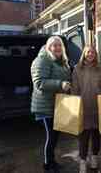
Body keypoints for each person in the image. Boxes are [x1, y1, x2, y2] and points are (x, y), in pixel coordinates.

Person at [31, 36, 72, 173]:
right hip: (45, 106)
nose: (57, 48)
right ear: (48, 47)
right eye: (54, 45)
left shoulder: (63, 62)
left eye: (59, 45)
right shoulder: (42, 60)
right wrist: (60, 84)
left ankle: (52, 161)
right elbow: (39, 83)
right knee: (51, 136)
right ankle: (48, 165)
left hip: (58, 105)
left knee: (55, 136)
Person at [72, 45, 101, 173]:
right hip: (83, 107)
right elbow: (74, 90)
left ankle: (94, 158)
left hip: (97, 107)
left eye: (92, 52)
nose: (90, 54)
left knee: (96, 136)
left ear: (96, 54)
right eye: (88, 52)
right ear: (84, 54)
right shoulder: (77, 69)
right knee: (83, 136)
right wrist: (76, 106)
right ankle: (82, 161)